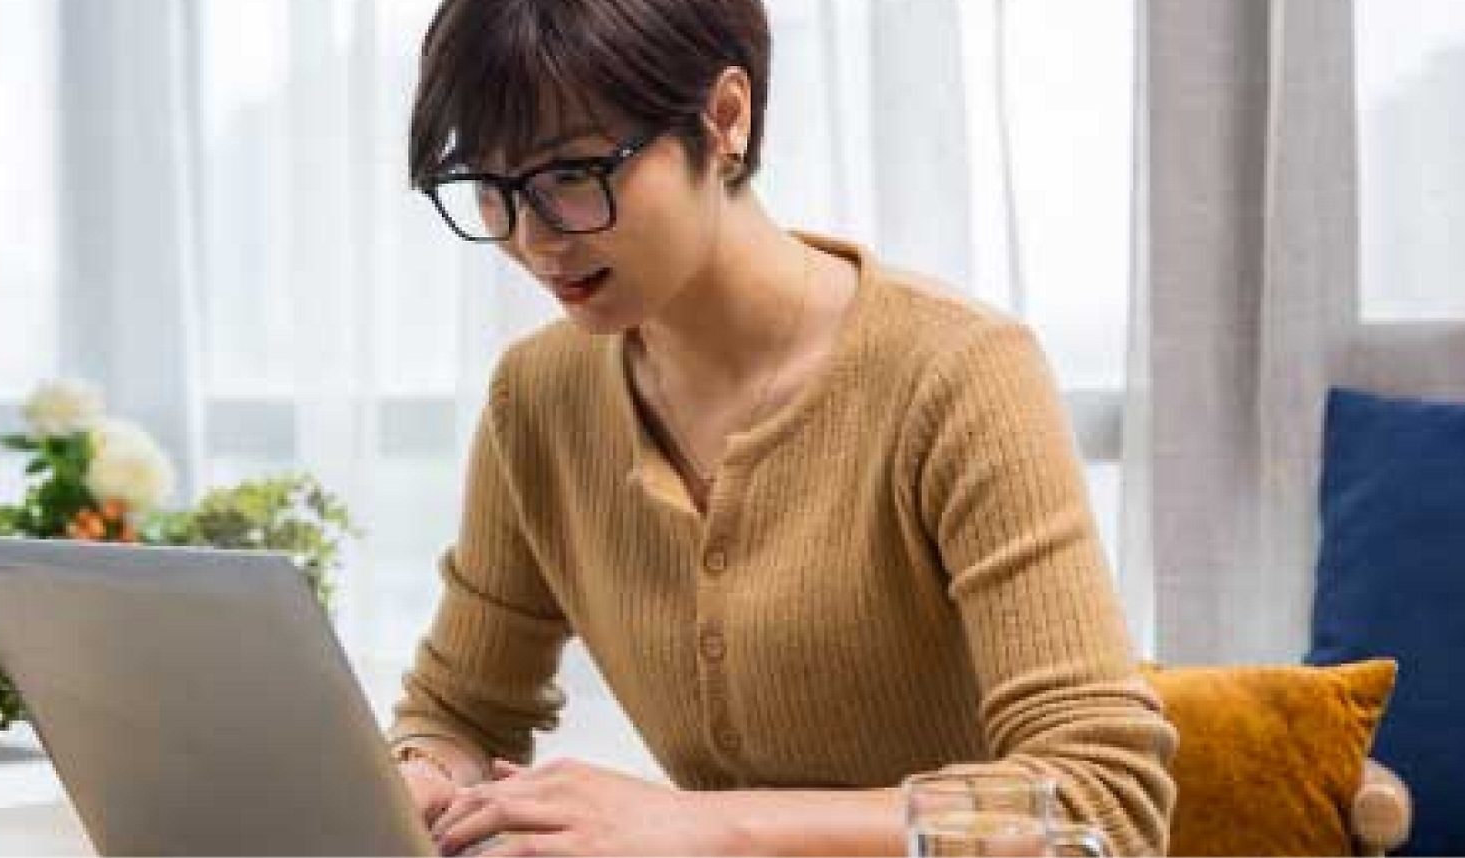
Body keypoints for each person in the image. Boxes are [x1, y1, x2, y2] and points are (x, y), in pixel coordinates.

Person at [385, 0, 1176, 855]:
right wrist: (422, 772)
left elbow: (1105, 805)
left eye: (571, 174)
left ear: (725, 118)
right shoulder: (535, 399)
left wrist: (701, 826)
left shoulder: (955, 375)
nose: (533, 237)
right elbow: (461, 710)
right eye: (490, 188)